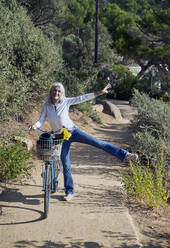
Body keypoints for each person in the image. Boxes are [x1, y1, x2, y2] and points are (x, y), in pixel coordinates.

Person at [30, 82, 138, 201]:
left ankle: (125, 154)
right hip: (60, 137)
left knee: (99, 143)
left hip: (72, 131)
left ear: (62, 93)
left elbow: (82, 98)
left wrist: (99, 93)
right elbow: (41, 119)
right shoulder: (46, 105)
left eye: (59, 91)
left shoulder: (65, 102)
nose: (56, 93)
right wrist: (34, 126)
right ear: (51, 91)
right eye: (55, 90)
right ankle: (69, 191)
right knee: (65, 164)